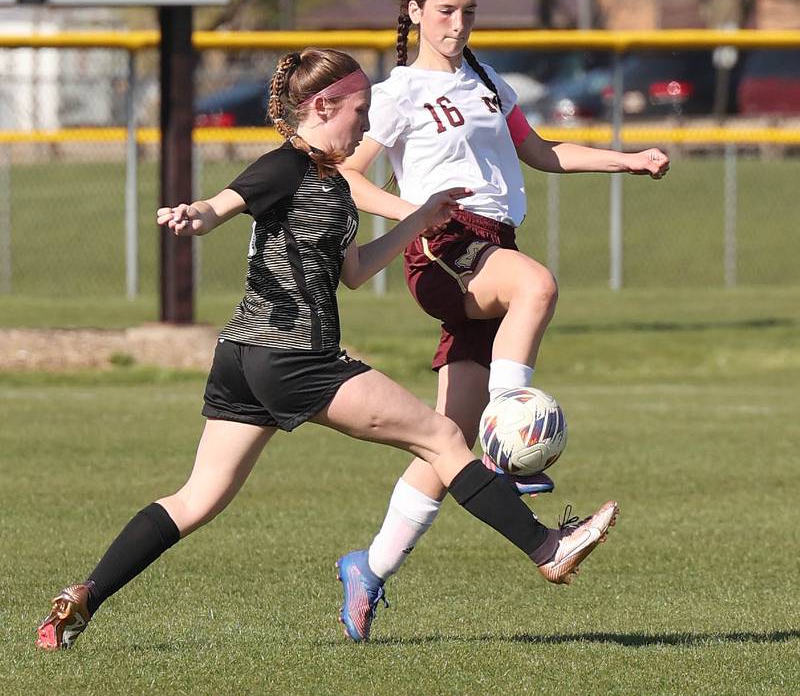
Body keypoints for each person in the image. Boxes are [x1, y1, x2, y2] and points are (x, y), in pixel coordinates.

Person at [35, 47, 618, 651]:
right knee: (444, 438)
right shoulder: (286, 165)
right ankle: (549, 549)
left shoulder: (331, 179)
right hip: (295, 356)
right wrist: (197, 214)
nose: (367, 126)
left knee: (197, 498)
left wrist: (421, 217)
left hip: (242, 357)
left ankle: (82, 599)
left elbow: (357, 270)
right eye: (359, 112)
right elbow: (227, 202)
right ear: (321, 106)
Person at [336, 0, 668, 642]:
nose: (457, 24)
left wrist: (626, 159)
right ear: (413, 12)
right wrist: (414, 213)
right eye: (445, 10)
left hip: (491, 244)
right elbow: (347, 175)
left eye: (468, 11)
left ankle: (367, 569)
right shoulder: (396, 92)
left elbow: (543, 153)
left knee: (442, 442)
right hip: (444, 246)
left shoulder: (486, 82)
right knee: (536, 284)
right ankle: (508, 444)